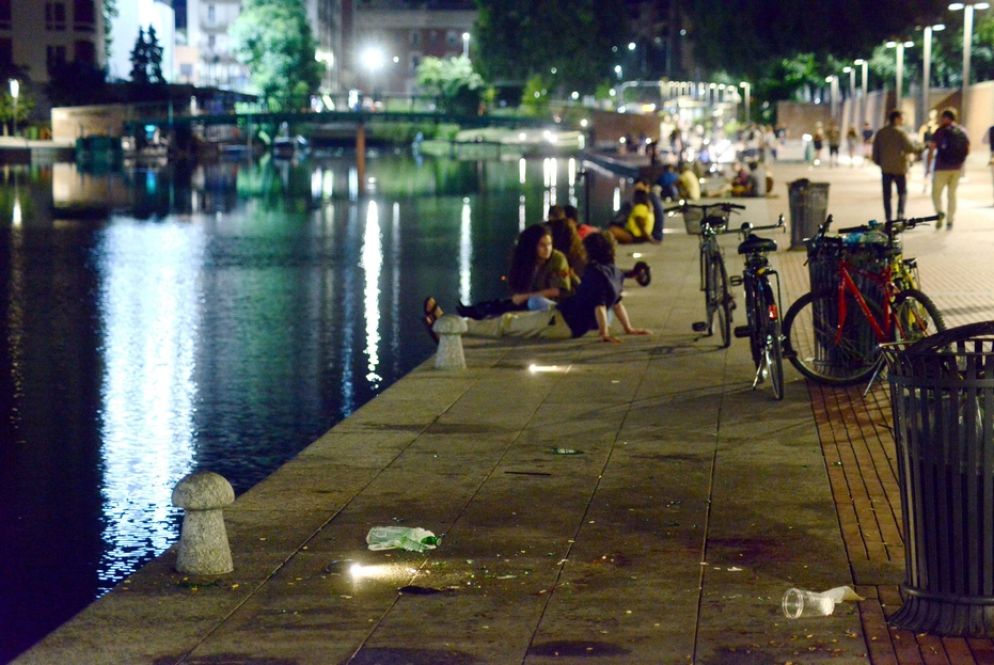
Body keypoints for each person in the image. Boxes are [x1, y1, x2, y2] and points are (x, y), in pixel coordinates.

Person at [427, 232, 649, 343]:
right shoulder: (615, 272)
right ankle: (454, 325)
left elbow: (599, 305)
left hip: (561, 322)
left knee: (506, 324)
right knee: (511, 321)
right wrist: (628, 328)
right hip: (565, 320)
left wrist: (604, 333)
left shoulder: (595, 272)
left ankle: (448, 325)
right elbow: (616, 303)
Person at [455, 224, 574, 320]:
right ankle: (474, 311)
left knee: (533, 302)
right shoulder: (527, 260)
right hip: (529, 300)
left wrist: (525, 297)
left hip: (557, 305)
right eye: (542, 245)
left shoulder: (557, 259)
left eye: (549, 244)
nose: (547, 249)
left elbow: (559, 290)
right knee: (502, 304)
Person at [927, 108, 970, 229]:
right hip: (956, 168)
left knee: (936, 194)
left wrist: (928, 167)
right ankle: (950, 220)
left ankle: (940, 213)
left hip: (941, 168)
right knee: (952, 194)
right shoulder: (962, 131)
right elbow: (967, 148)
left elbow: (931, 149)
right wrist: (960, 162)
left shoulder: (939, 131)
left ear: (946, 118)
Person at [871, 110, 917, 222]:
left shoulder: (880, 132)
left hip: (886, 169)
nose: (903, 121)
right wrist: (923, 147)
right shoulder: (900, 133)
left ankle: (888, 218)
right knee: (902, 192)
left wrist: (881, 163)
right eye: (901, 118)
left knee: (886, 195)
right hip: (899, 169)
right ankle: (900, 215)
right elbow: (910, 148)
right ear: (896, 119)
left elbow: (875, 152)